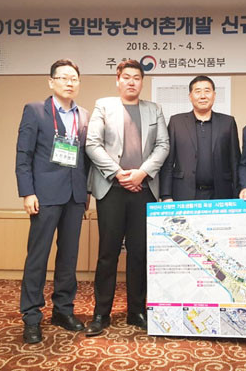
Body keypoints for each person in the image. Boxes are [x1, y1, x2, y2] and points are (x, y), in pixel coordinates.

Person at [84, 59, 169, 336]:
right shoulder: (103, 106)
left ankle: (137, 311)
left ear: (142, 82)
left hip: (143, 189)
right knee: (108, 252)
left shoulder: (154, 109)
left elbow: (163, 145)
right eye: (127, 77)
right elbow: (92, 144)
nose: (132, 82)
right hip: (111, 189)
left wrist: (141, 173)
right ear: (118, 80)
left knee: (139, 252)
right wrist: (119, 173)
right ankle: (101, 313)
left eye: (137, 78)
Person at [15, 59, 91, 344]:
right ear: (51, 82)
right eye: (63, 78)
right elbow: (23, 155)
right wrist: (27, 192)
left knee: (68, 257)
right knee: (38, 257)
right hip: (44, 195)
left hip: (74, 196)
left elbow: (85, 158)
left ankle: (63, 310)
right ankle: (31, 316)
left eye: (74, 78)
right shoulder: (35, 110)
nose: (69, 83)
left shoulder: (84, 115)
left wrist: (86, 194)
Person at [160, 75, 240, 201]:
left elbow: (235, 161)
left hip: (221, 195)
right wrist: (166, 195)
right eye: (197, 91)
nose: (203, 96)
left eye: (207, 91)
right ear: (190, 96)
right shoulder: (177, 122)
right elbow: (168, 162)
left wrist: (238, 193)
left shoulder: (227, 122)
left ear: (214, 95)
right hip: (183, 194)